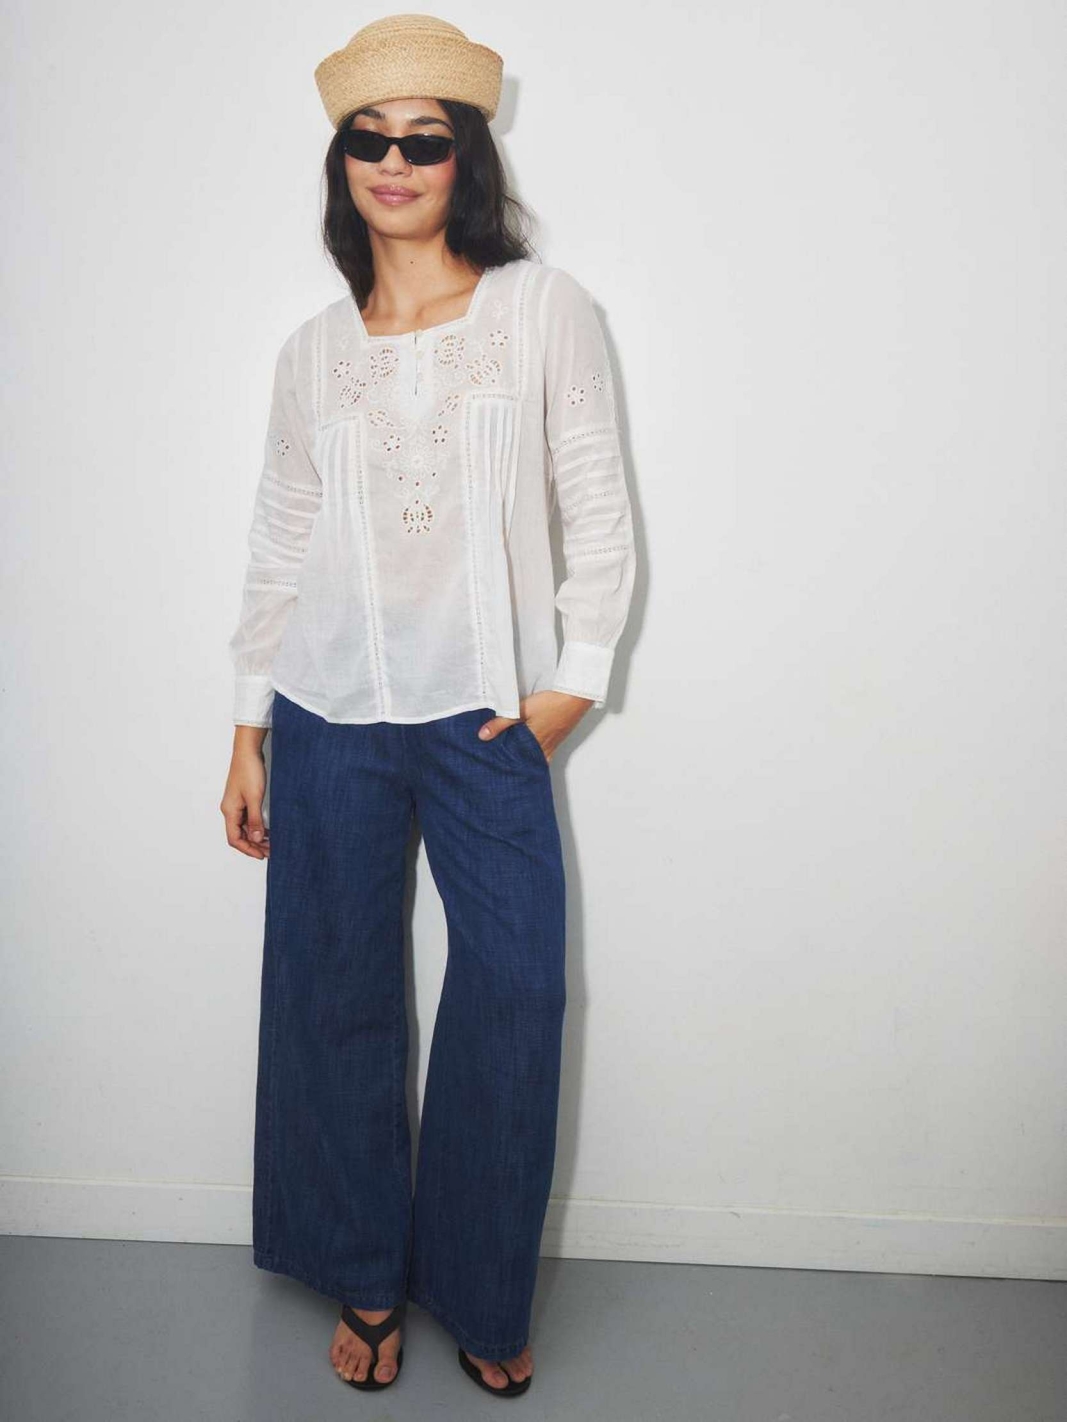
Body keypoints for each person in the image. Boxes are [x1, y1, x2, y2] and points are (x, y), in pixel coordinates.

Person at [219, 12, 637, 1399]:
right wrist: (248, 723)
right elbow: (280, 538)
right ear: (342, 161)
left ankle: (480, 1285)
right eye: (370, 139)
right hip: (328, 708)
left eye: (425, 140)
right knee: (333, 992)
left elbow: (596, 502)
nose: (394, 162)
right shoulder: (310, 351)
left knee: (515, 988)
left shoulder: (541, 309)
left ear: (468, 161)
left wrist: (569, 687)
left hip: (486, 718)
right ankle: (364, 1270)